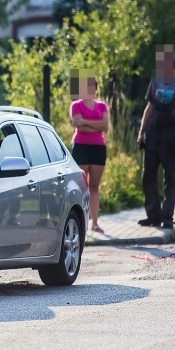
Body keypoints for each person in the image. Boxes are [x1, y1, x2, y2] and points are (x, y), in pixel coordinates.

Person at [137, 44, 175, 229]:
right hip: (153, 134)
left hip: (172, 136)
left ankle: (167, 216)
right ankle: (153, 215)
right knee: (148, 177)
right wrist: (141, 132)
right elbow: (149, 107)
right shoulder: (156, 80)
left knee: (170, 178)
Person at [69, 70, 109, 234]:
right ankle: (81, 222)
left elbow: (105, 126)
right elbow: (78, 126)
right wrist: (95, 124)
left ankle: (95, 223)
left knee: (94, 186)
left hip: (98, 148)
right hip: (81, 147)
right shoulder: (76, 105)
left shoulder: (102, 105)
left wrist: (85, 121)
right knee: (81, 186)